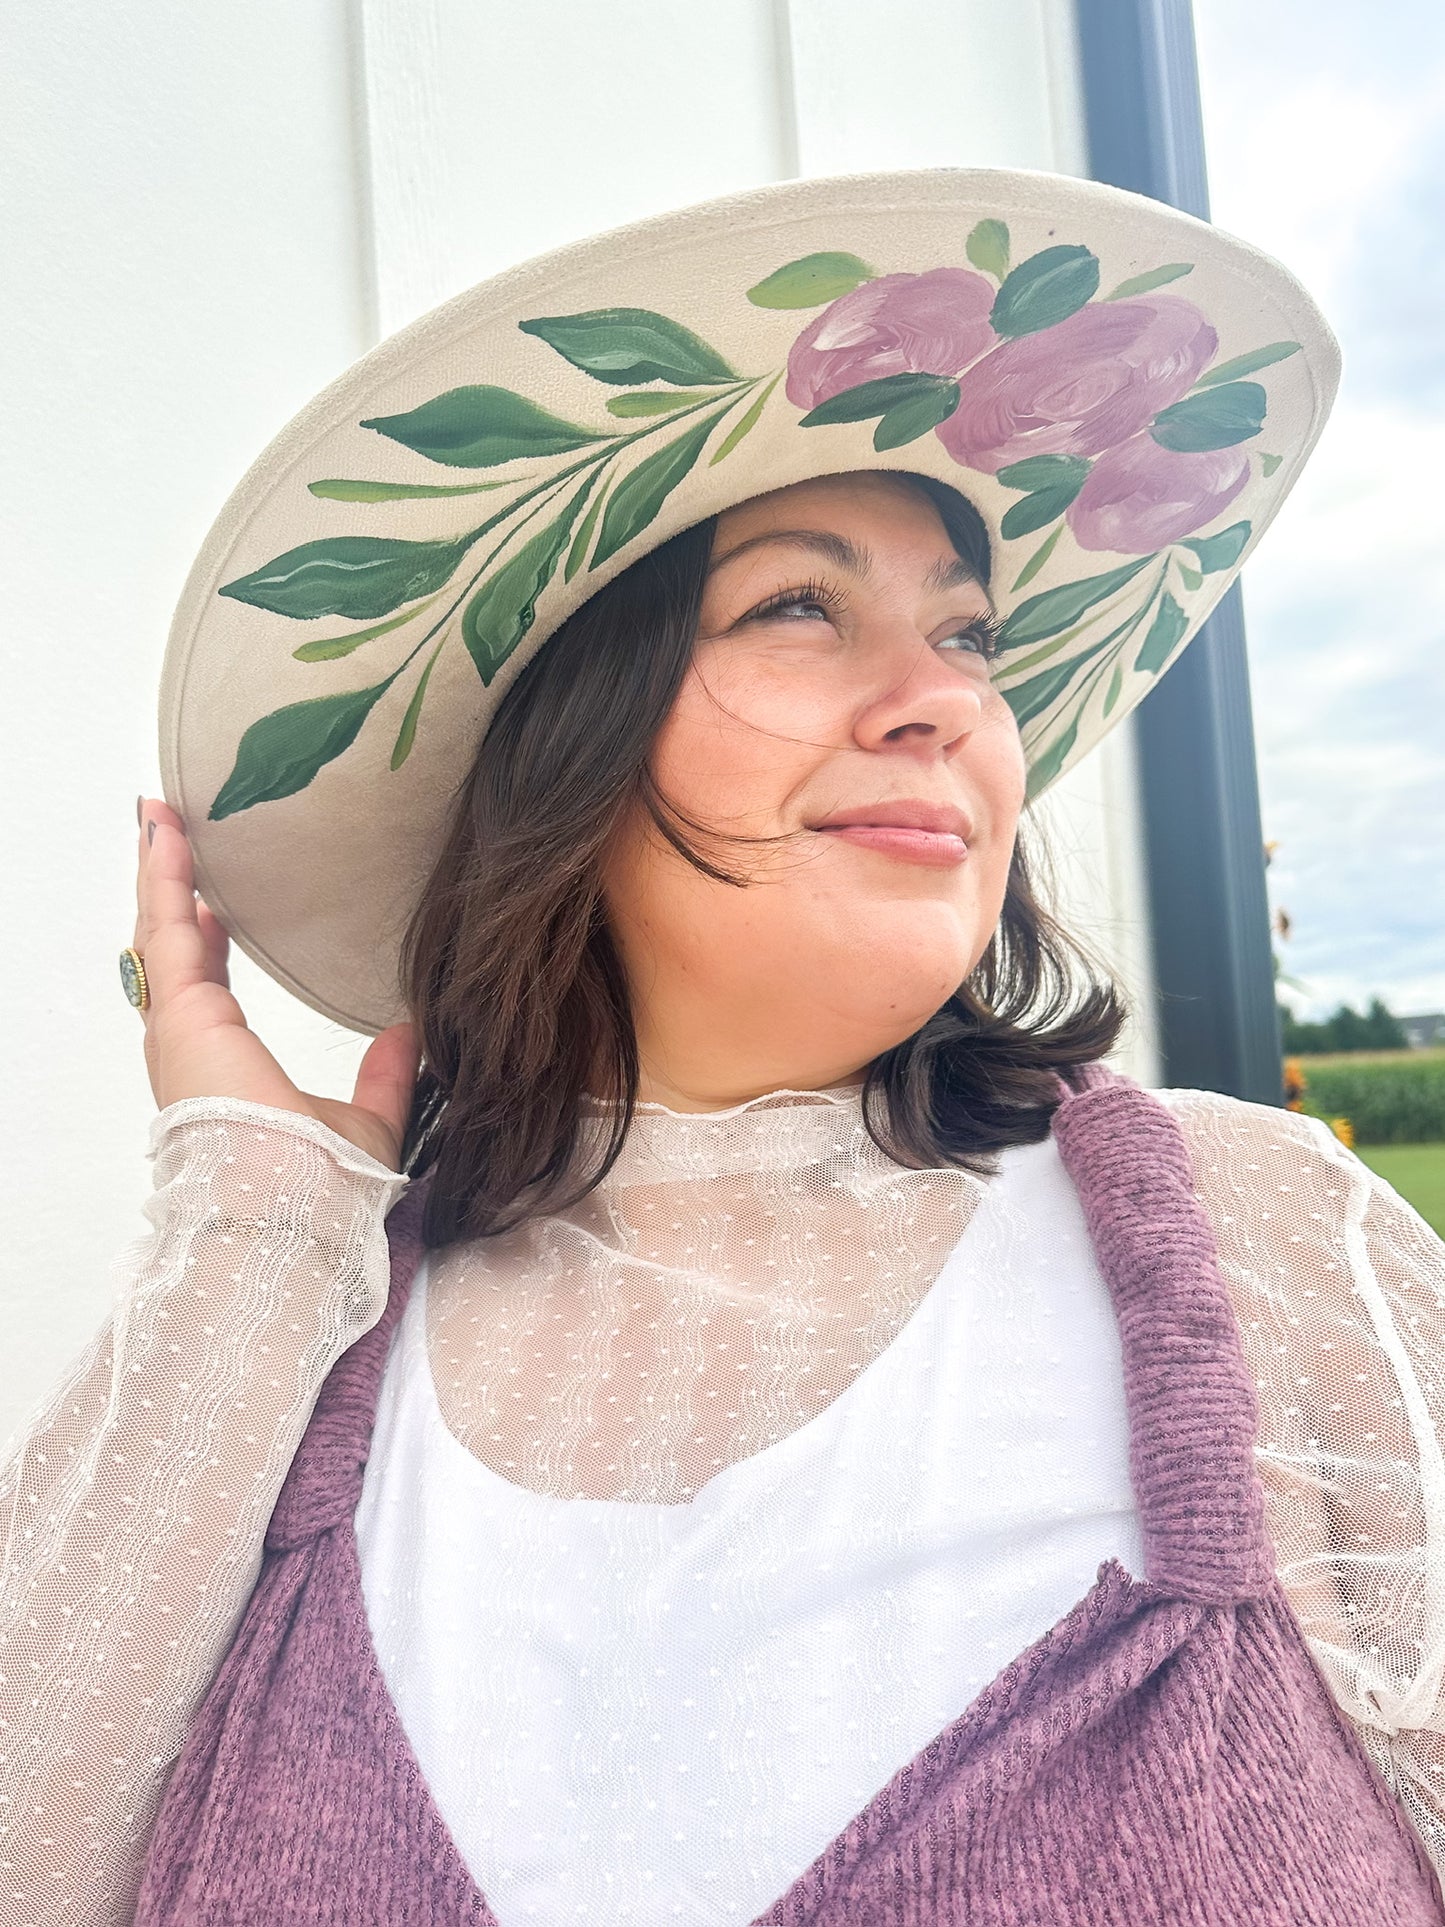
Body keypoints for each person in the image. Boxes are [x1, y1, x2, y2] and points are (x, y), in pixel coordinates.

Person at [5, 170, 1445, 1925]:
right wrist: (250, 1224)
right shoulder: (313, 1352)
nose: (945, 699)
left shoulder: (1256, 1243)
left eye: (967, 631)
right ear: (564, 749)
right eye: (795, 605)